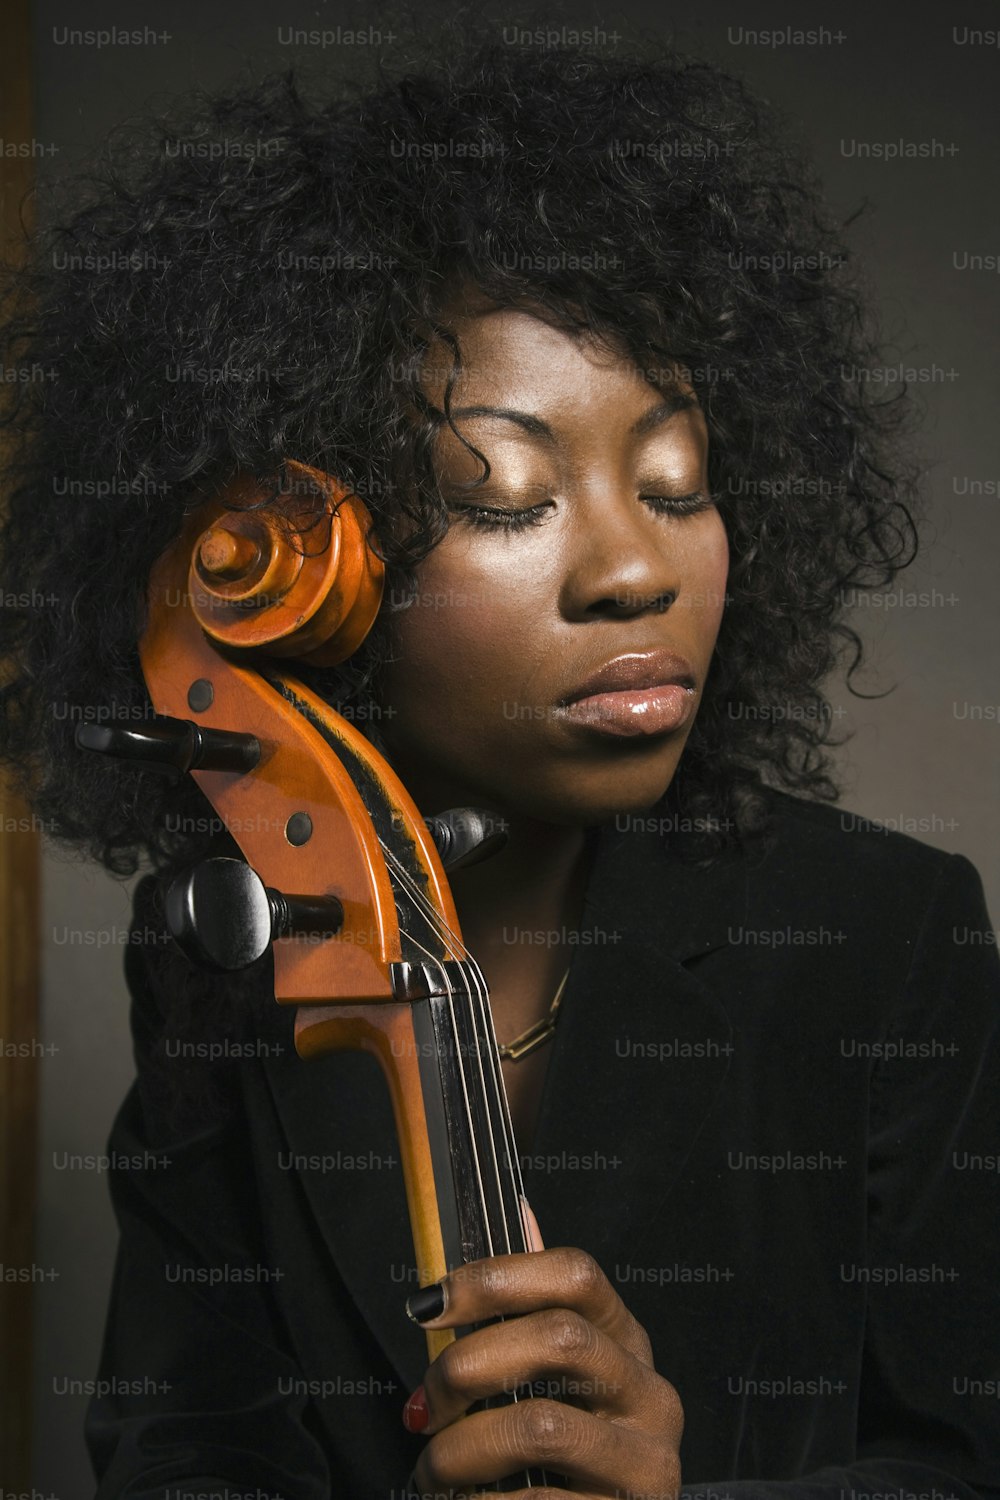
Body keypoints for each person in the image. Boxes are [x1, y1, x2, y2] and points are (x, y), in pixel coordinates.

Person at [0, 33, 997, 1500]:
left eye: (678, 485)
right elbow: (179, 1448)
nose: (633, 572)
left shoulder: (884, 936)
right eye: (507, 502)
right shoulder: (220, 949)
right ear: (320, 577)